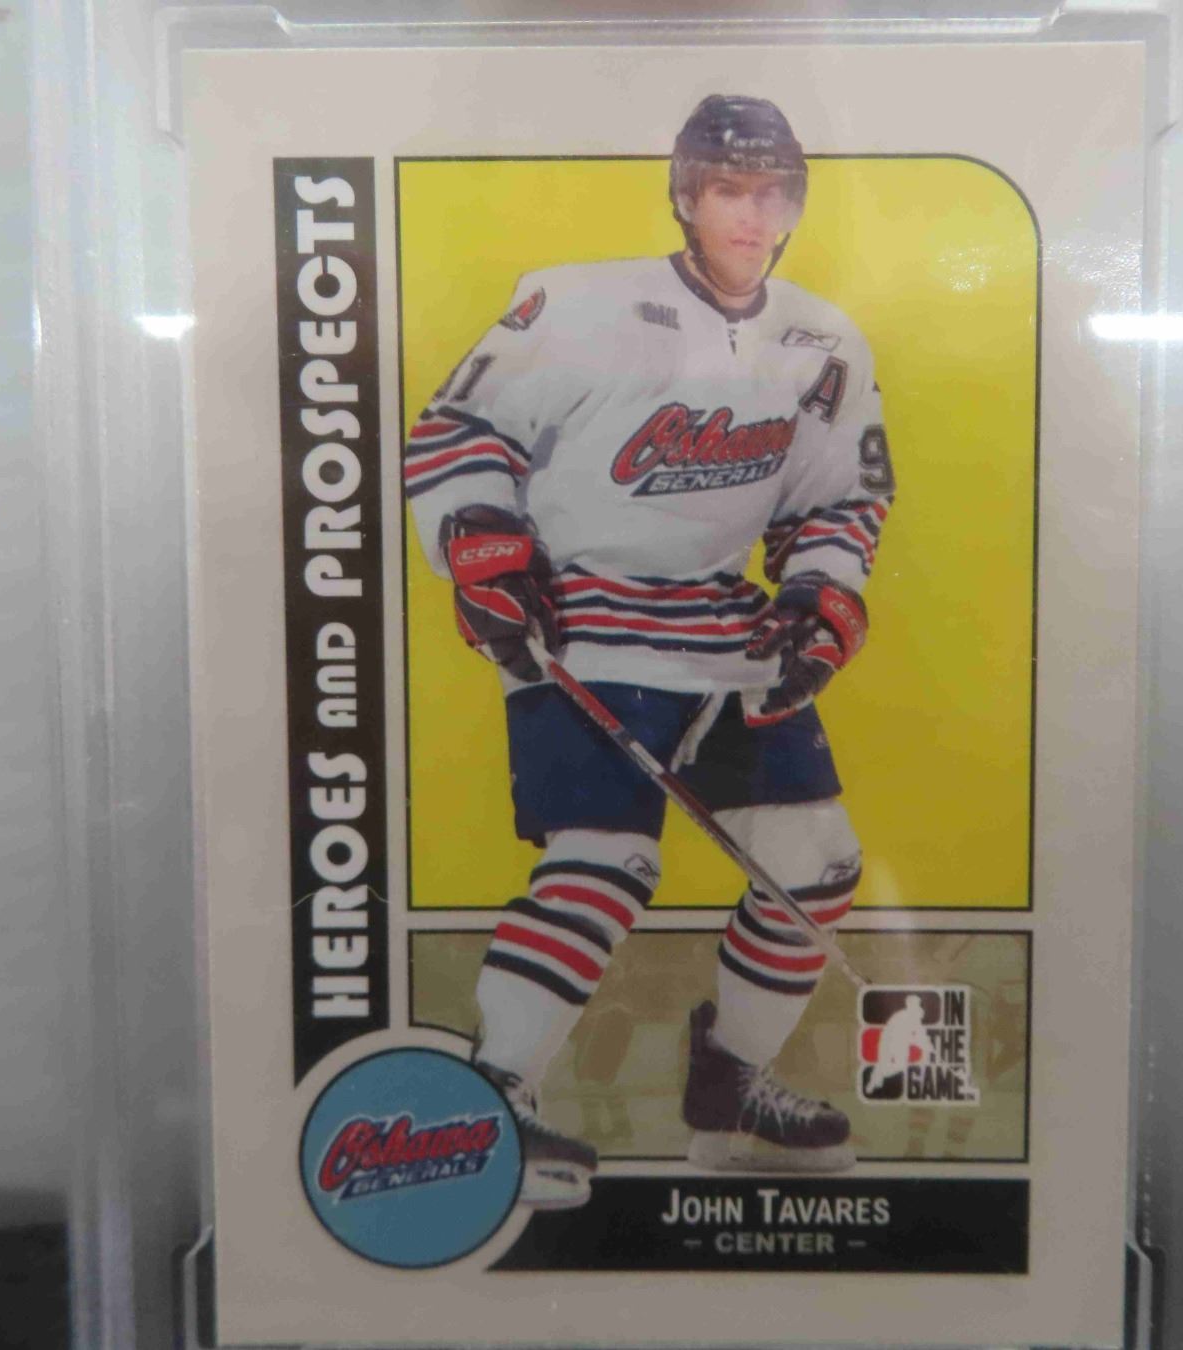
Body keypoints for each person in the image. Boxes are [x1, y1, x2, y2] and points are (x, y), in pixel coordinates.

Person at [405, 94, 897, 1208]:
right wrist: (484, 550)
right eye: (728, 188)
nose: (751, 212)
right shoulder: (578, 302)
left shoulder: (825, 339)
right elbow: (459, 429)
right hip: (582, 622)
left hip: (725, 629)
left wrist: (820, 593)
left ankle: (729, 1088)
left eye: (772, 191)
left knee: (815, 867)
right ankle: (492, 1104)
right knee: (603, 863)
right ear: (685, 195)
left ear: (797, 204)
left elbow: (841, 497)